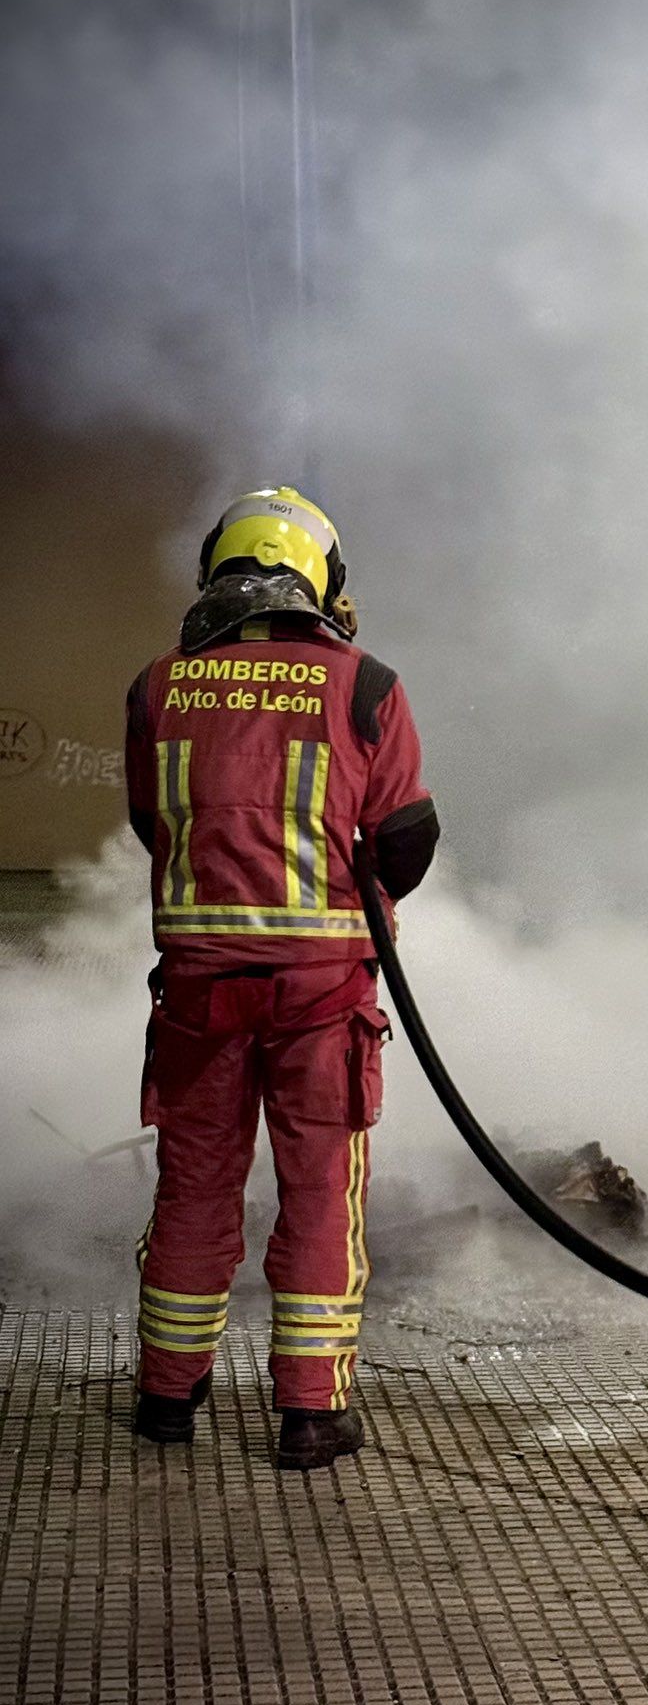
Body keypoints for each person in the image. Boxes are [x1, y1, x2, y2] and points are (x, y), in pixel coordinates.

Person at [125, 488, 439, 1469]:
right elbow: (407, 838)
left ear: (216, 569)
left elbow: (150, 822)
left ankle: (167, 1396)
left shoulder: (159, 685)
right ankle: (310, 1414)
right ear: (322, 579)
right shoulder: (365, 684)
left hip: (199, 991)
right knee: (319, 1195)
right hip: (322, 995)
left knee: (193, 1188)